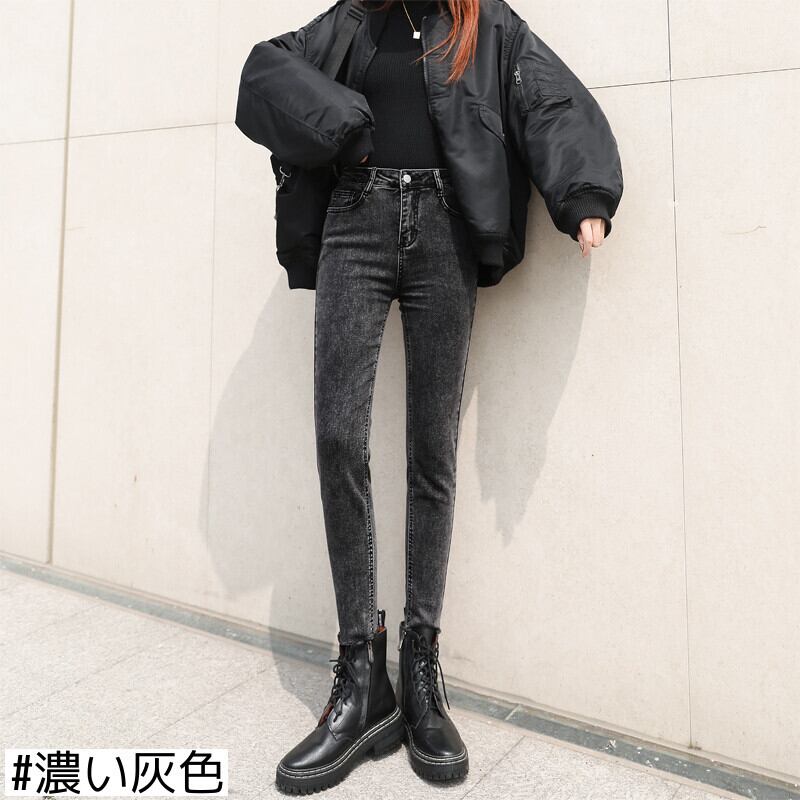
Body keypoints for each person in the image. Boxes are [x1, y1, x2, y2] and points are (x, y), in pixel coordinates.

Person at [235, 0, 623, 792]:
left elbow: (548, 98)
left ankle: (420, 667)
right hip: (354, 221)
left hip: (446, 229)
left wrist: (582, 192)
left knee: (431, 452)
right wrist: (345, 124)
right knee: (339, 437)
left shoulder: (485, 21)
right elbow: (266, 71)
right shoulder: (351, 19)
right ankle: (360, 675)